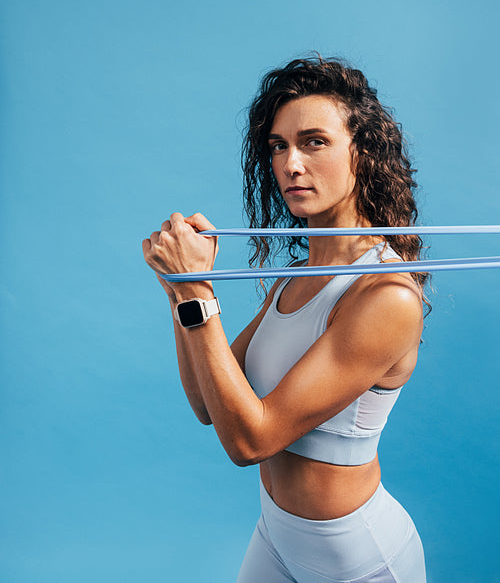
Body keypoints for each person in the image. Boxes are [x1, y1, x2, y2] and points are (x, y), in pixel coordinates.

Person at [142, 56, 428, 582]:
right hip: (275, 537)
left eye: (314, 141)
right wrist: (179, 289)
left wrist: (199, 293)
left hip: (357, 560)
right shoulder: (295, 277)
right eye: (279, 146)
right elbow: (209, 403)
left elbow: (250, 441)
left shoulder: (386, 295)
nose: (291, 163)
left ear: (361, 152)